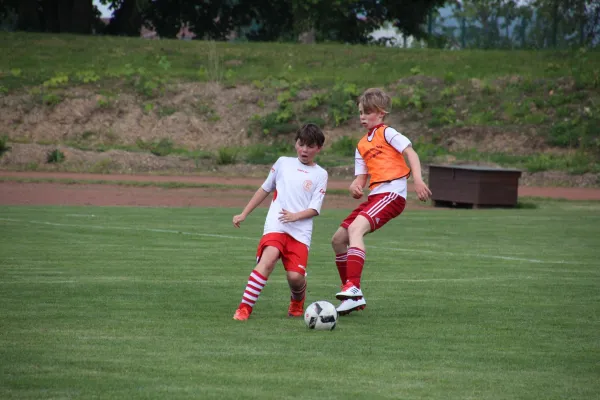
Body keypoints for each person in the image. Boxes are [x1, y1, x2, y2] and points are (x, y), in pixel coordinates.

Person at [331, 88, 432, 315]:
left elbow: (411, 153)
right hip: (376, 196)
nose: (363, 117)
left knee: (356, 229)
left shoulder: (388, 133)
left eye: (367, 112)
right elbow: (361, 178)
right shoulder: (361, 145)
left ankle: (353, 288)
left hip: (392, 194)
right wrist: (354, 187)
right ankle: (350, 295)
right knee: (338, 239)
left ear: (381, 113)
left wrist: (417, 180)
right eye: (360, 112)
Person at [232, 123, 328, 321]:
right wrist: (244, 213)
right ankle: (244, 308)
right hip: (276, 225)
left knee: (295, 277)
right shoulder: (283, 163)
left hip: (300, 232)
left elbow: (315, 208)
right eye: (301, 144)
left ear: (318, 148)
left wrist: (295, 216)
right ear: (295, 144)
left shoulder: (321, 174)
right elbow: (265, 189)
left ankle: (297, 300)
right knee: (268, 260)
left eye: (310, 146)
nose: (304, 150)